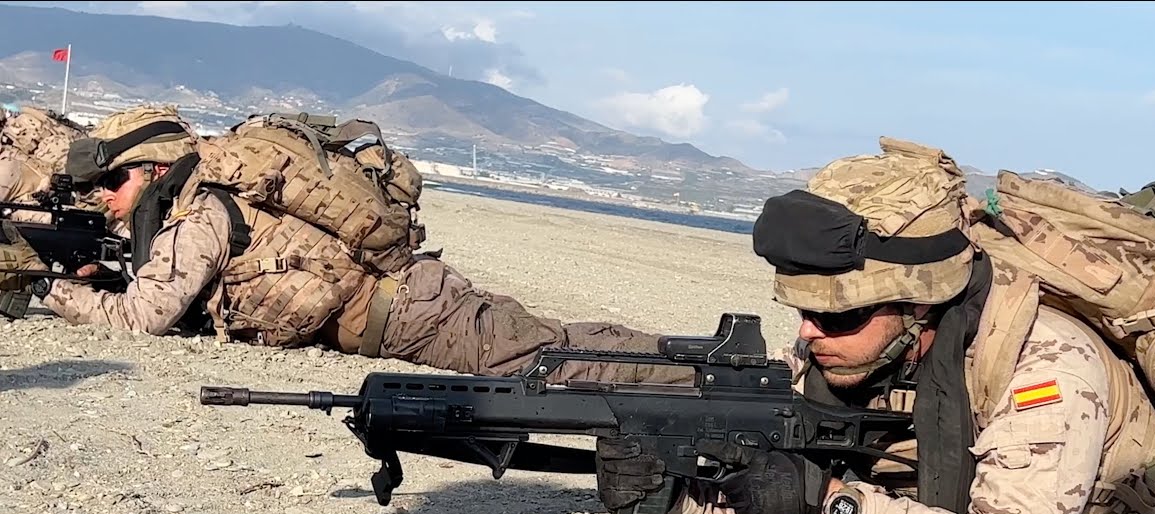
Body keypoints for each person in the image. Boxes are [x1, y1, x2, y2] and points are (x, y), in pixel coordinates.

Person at [594, 136, 1155, 514]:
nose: (807, 336)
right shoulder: (860, 345)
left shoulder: (1045, 365)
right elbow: (792, 472)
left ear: (919, 306)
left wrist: (828, 503)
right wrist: (681, 495)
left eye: (834, 320)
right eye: (803, 314)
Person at [0, 104, 689, 385]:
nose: (104, 200)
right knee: (555, 347)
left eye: (112, 184)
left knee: (553, 363)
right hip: (407, 302)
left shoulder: (200, 211)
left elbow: (142, 319)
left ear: (151, 169)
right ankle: (695, 360)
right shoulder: (203, 202)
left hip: (412, 313)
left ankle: (697, 368)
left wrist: (44, 287)